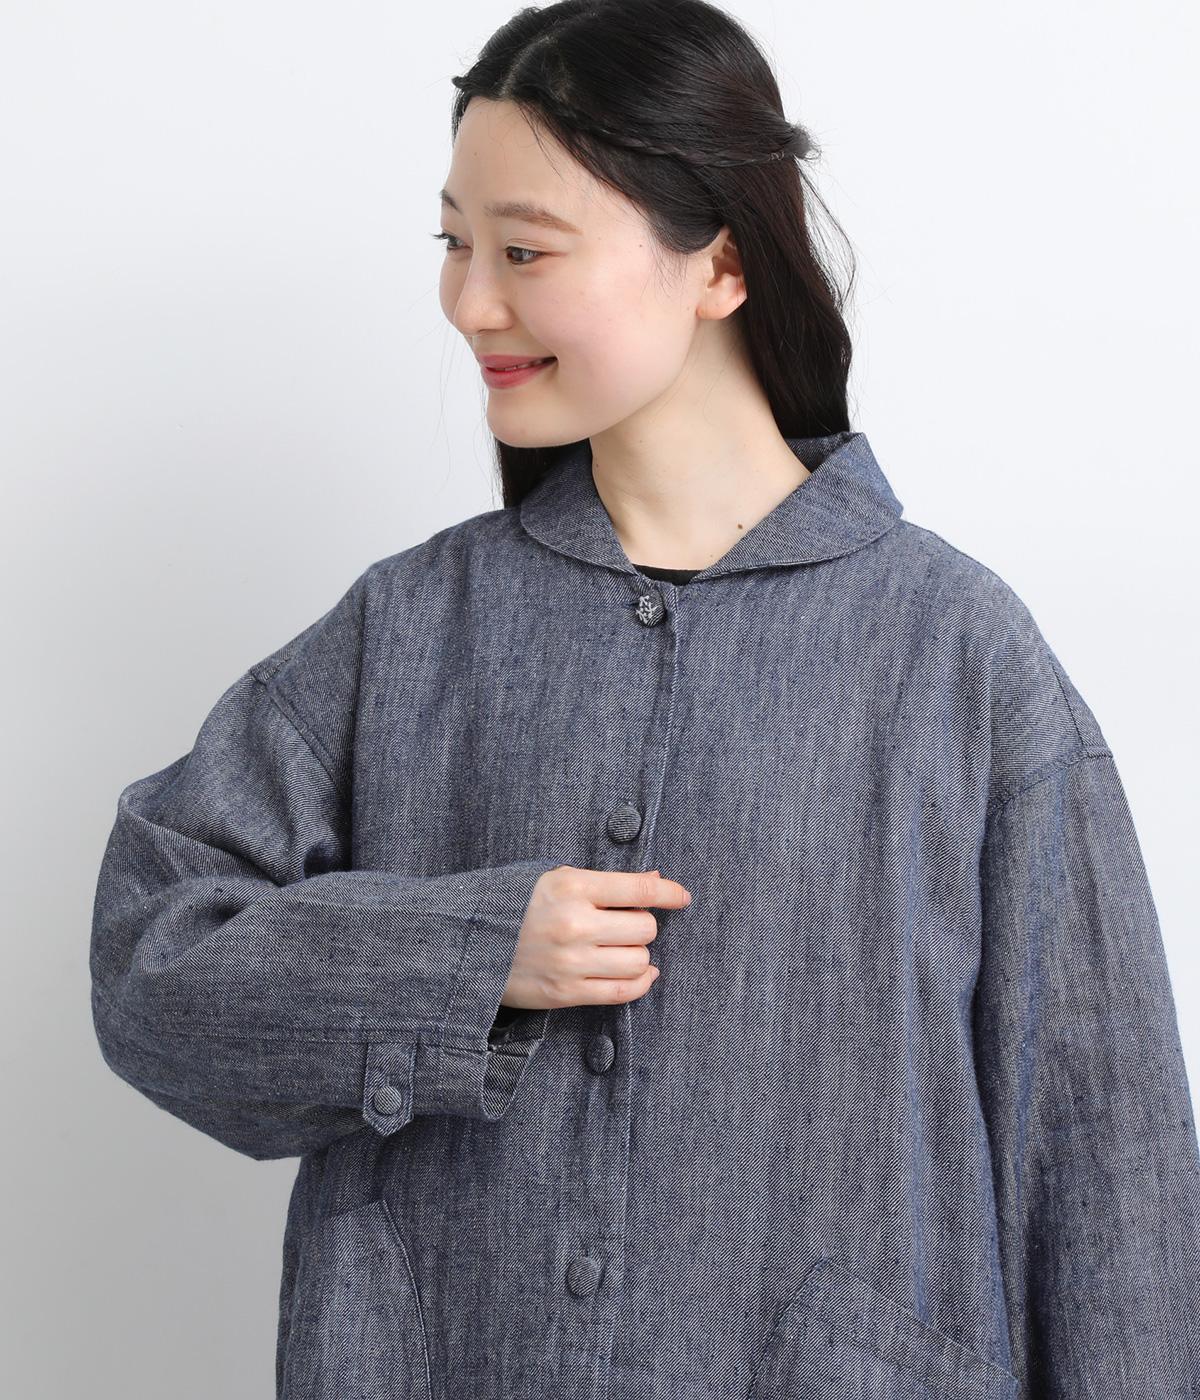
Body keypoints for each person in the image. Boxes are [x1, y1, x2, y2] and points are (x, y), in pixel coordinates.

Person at [89, 1, 1200, 1396]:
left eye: (524, 250)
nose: (468, 303)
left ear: (720, 263)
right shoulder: (409, 630)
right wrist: (465, 958)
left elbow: (1106, 1165)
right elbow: (152, 963)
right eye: (453, 243)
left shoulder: (956, 656)